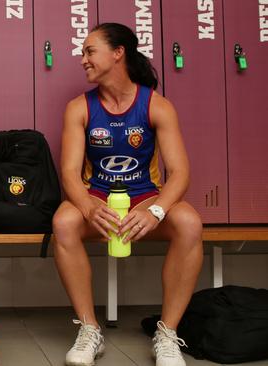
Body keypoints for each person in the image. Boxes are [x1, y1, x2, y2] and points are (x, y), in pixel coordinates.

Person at [52, 23, 203, 366]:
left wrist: (156, 212)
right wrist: (89, 208)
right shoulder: (79, 108)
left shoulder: (156, 106)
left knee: (190, 223)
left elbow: (180, 173)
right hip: (98, 199)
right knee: (63, 222)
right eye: (83, 53)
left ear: (118, 53)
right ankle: (90, 329)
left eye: (90, 51)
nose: (83, 60)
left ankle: (166, 333)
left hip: (146, 198)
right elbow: (69, 174)